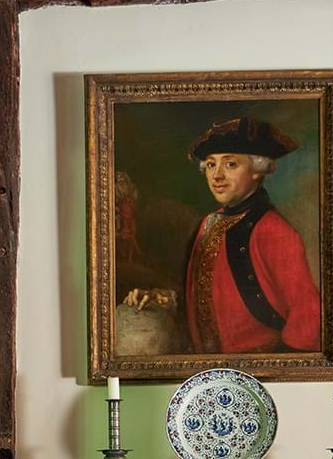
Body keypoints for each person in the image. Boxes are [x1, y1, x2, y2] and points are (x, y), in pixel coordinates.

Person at [123, 116, 321, 354]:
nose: (217, 175)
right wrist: (165, 299)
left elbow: (308, 314)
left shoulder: (274, 231)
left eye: (230, 164)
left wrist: (283, 370)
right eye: (210, 164)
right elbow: (206, 295)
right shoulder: (209, 223)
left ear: (258, 169)